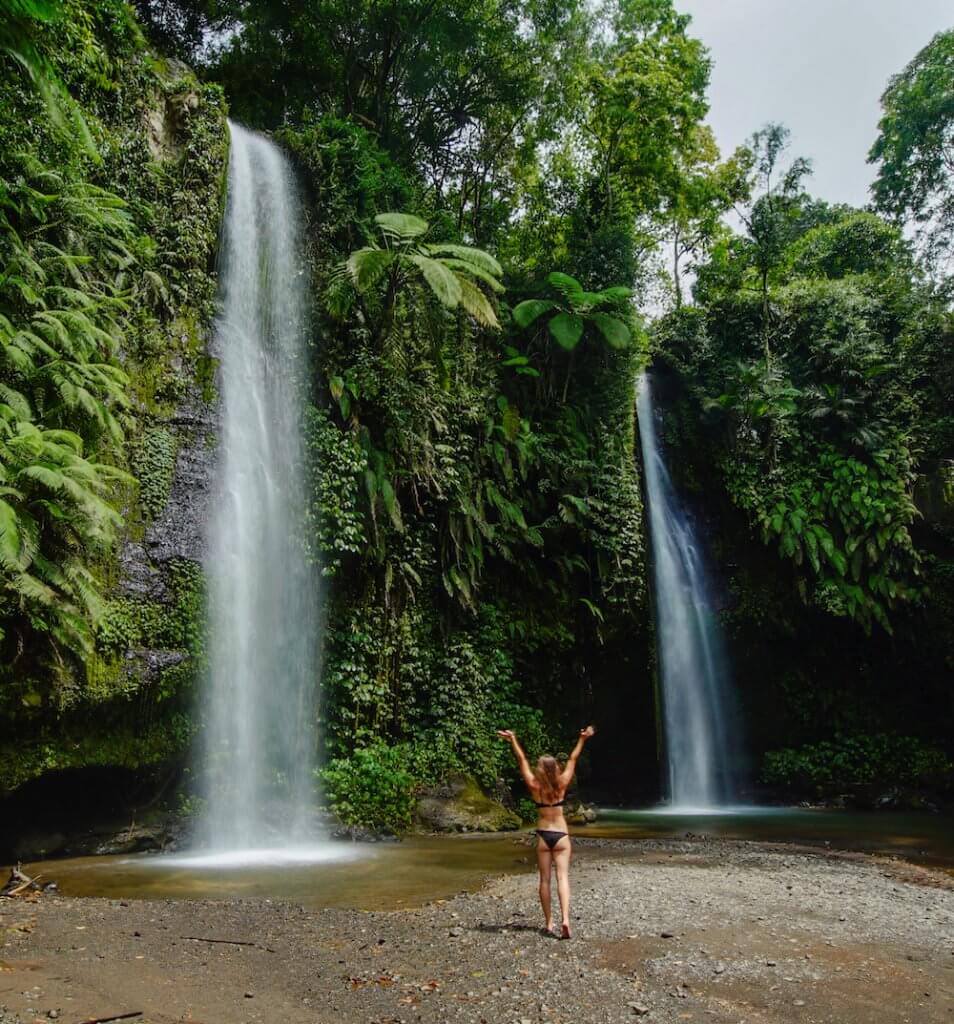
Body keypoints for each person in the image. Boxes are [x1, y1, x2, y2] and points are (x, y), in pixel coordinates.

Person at [496, 725, 596, 939]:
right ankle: (566, 920)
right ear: (555, 769)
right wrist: (582, 739)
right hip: (561, 835)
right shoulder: (561, 784)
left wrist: (513, 739)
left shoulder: (534, 786)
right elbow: (572, 760)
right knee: (562, 878)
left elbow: (521, 761)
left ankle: (549, 923)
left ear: (541, 770)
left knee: (544, 880)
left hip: (543, 836)